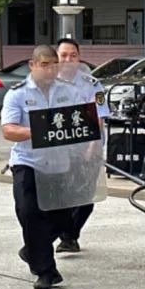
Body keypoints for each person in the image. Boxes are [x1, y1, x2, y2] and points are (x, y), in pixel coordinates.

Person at [2, 44, 88, 289]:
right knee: (29, 212)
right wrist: (38, 131)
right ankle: (46, 271)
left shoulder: (69, 92)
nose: (50, 70)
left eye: (54, 66)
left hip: (59, 163)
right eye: (44, 65)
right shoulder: (17, 94)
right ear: (32, 65)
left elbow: (82, 122)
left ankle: (33, 249)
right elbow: (8, 130)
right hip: (27, 162)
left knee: (61, 219)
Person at [54, 37, 110, 254]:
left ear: (79, 58)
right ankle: (67, 236)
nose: (68, 59)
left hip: (87, 148)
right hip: (58, 150)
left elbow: (100, 115)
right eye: (63, 55)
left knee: (85, 196)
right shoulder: (47, 82)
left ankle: (69, 235)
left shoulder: (93, 84)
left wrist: (92, 147)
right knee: (60, 196)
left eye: (73, 55)